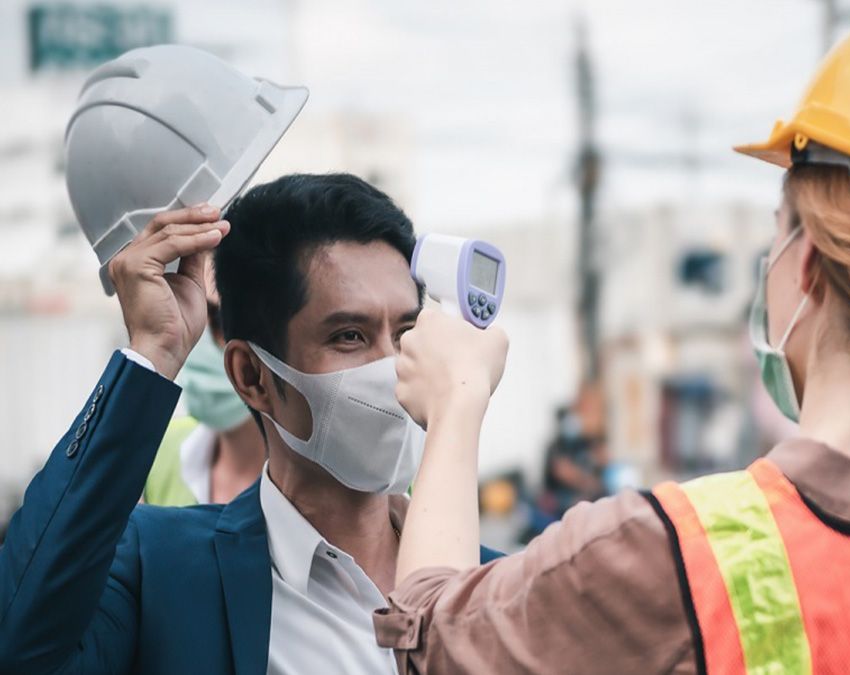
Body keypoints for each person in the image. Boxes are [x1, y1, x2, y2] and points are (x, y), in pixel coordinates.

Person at [375, 6, 850, 674]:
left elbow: (434, 640)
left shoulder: (673, 552)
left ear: (806, 264)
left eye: (775, 235)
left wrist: (455, 403)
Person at [0, 174, 502, 674]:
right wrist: (152, 352)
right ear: (252, 376)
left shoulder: (500, 587)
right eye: (350, 336)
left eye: (406, 332)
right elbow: (24, 646)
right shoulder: (162, 568)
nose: (392, 366)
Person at [144, 272, 266, 506]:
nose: (198, 334)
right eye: (186, 309)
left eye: (220, 320)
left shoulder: (322, 480)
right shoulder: (156, 447)